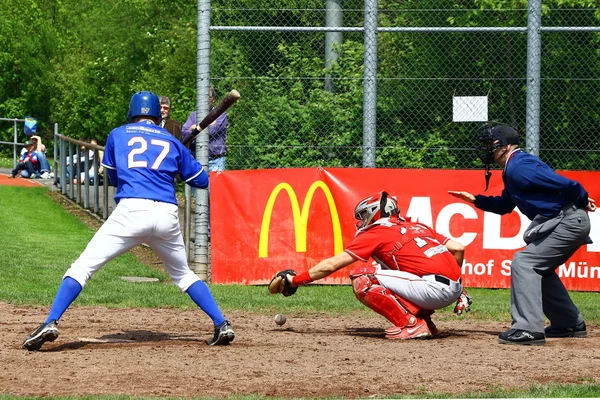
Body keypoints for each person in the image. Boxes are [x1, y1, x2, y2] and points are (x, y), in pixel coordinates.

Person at [22, 91, 234, 351]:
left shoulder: (118, 134)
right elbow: (201, 181)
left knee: (82, 268)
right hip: (167, 214)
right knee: (183, 275)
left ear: (132, 112)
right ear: (158, 114)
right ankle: (222, 323)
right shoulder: (171, 140)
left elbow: (112, 177)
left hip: (131, 210)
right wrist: (180, 159)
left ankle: (51, 321)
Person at [449, 122, 596, 346]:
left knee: (524, 263)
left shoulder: (520, 166)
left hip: (568, 220)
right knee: (539, 269)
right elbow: (504, 205)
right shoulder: (513, 168)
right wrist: (476, 200)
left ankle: (528, 329)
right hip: (565, 220)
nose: (486, 148)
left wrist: (583, 199)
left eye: (490, 144)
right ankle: (568, 323)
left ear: (505, 146)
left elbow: (568, 184)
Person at [270, 191, 472, 340]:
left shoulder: (377, 232)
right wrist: (457, 289)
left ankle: (411, 325)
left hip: (433, 290)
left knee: (363, 277)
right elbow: (458, 248)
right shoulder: (416, 225)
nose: (362, 222)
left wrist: (295, 280)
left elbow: (332, 265)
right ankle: (425, 323)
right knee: (388, 273)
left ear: (374, 213)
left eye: (363, 216)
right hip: (452, 288)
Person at [181, 86, 228, 172]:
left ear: (213, 99)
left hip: (216, 161)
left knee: (215, 185)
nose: (205, 99)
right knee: (197, 185)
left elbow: (212, 130)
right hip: (196, 160)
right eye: (203, 97)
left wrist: (194, 129)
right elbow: (184, 134)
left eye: (208, 97)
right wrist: (208, 124)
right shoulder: (193, 115)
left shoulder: (220, 114)